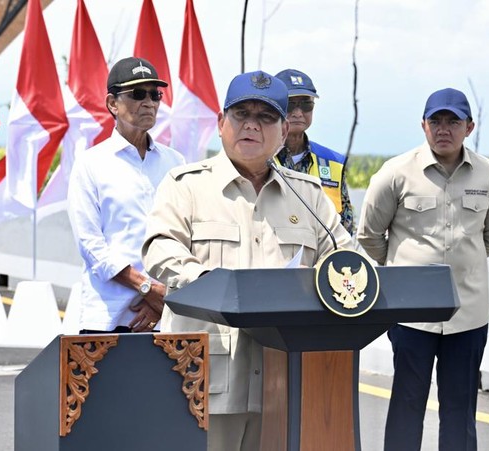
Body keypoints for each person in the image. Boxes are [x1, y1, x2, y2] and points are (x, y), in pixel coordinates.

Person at [142, 70, 353, 451]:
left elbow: (345, 260)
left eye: (266, 117)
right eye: (241, 115)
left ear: (285, 127)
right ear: (222, 123)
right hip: (203, 375)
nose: (251, 126)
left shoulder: (308, 195)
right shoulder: (185, 185)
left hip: (284, 376)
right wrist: (216, 285)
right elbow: (160, 248)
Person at [357, 88, 489, 451]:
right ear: (423, 125)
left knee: (460, 410)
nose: (444, 129)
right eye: (436, 121)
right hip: (411, 316)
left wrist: (461, 268)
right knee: (407, 403)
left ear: (469, 126)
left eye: (453, 121)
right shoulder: (395, 173)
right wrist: (405, 274)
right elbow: (370, 234)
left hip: (467, 315)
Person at [67, 56, 185, 334]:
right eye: (137, 94)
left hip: (166, 316)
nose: (149, 102)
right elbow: (90, 244)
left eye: (155, 94)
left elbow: (186, 236)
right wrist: (145, 288)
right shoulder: (90, 164)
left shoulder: (176, 163)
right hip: (108, 317)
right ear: (112, 104)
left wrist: (161, 299)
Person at [273, 69, 355, 235]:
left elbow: (346, 226)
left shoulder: (334, 162)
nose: (298, 113)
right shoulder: (256, 158)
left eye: (306, 105)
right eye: (290, 105)